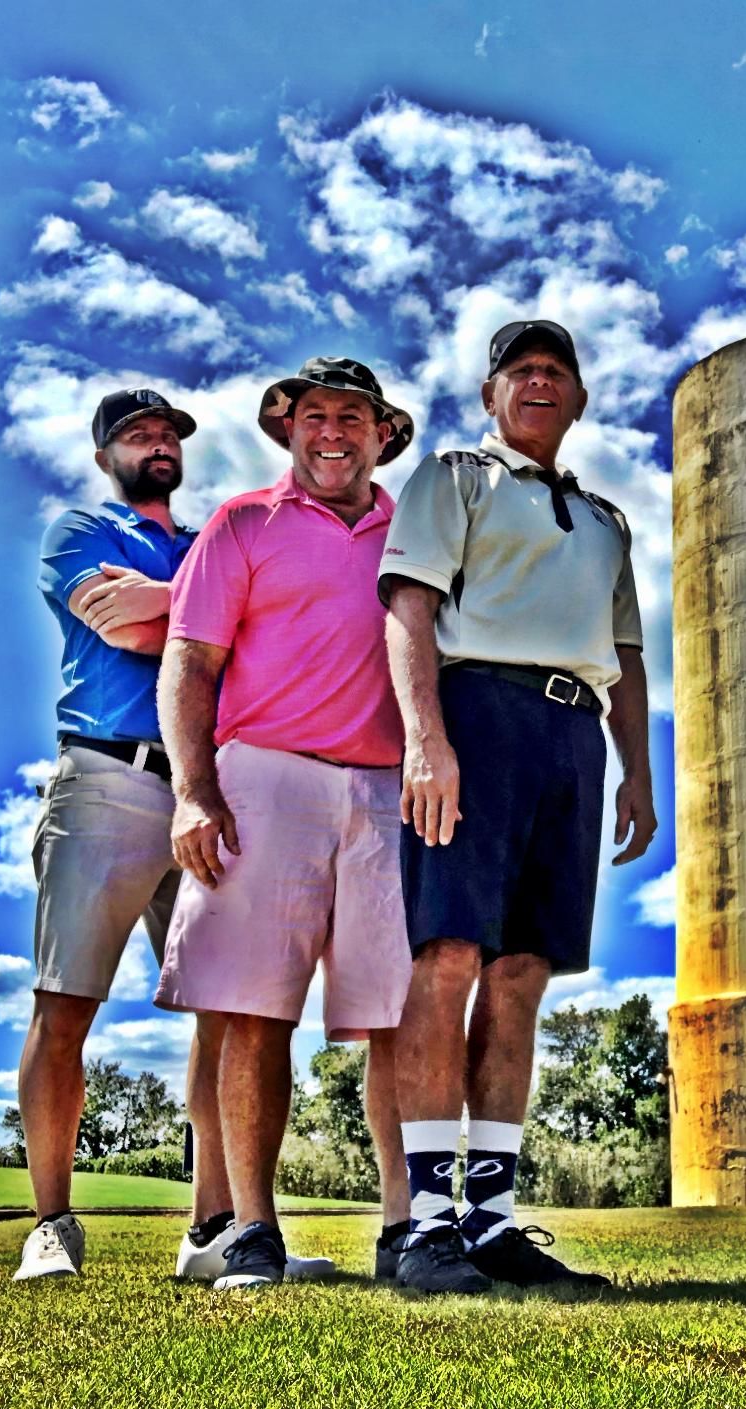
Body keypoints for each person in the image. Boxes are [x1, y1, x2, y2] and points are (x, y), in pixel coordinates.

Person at [378, 319, 657, 1294]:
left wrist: (637, 770)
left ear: (578, 398)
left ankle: (491, 1222)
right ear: (492, 394)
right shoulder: (455, 477)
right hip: (476, 713)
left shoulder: (608, 521)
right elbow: (409, 606)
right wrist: (426, 739)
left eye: (556, 371)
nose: (539, 382)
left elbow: (627, 656)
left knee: (523, 971)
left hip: (571, 735)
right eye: (520, 369)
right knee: (449, 953)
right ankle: (424, 1223)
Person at [154, 357, 416, 1289]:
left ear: (383, 433)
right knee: (253, 1009)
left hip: (387, 790)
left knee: (396, 1014)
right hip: (263, 778)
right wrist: (194, 789)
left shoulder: (417, 531)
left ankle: (407, 1227)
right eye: (315, 416)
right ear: (290, 428)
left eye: (353, 416)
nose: (332, 432)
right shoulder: (240, 523)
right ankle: (252, 1229)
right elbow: (189, 662)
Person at [16, 389, 204, 1279]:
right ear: (106, 455)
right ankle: (51, 1224)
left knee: (229, 1008)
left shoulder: (209, 540)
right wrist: (213, 615)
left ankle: (218, 1226)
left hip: (209, 785)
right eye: (137, 433)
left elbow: (264, 636)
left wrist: (180, 606)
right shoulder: (81, 530)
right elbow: (124, 625)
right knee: (66, 1002)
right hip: (105, 775)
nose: (157, 442)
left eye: (168, 432)